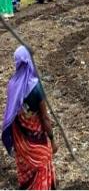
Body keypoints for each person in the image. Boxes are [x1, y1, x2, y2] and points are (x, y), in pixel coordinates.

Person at [1, 46, 58, 189]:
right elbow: (44, 118)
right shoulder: (36, 88)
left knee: (26, 171)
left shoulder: (13, 85)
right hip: (37, 142)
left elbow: (11, 114)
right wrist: (52, 140)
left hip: (21, 144)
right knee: (43, 164)